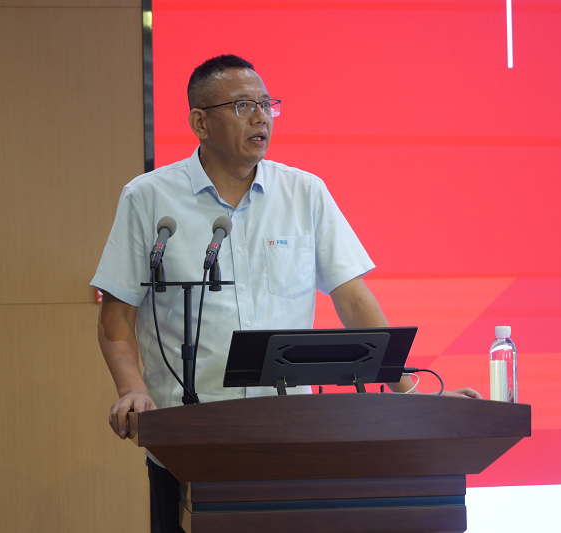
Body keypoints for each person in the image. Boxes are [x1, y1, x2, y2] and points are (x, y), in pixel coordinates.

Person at [92, 54, 481, 533]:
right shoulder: (148, 198)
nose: (260, 117)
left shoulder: (304, 192)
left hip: (290, 435)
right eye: (243, 105)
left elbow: (352, 299)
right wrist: (132, 390)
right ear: (200, 122)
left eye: (266, 104)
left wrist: (411, 392)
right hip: (187, 439)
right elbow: (116, 317)